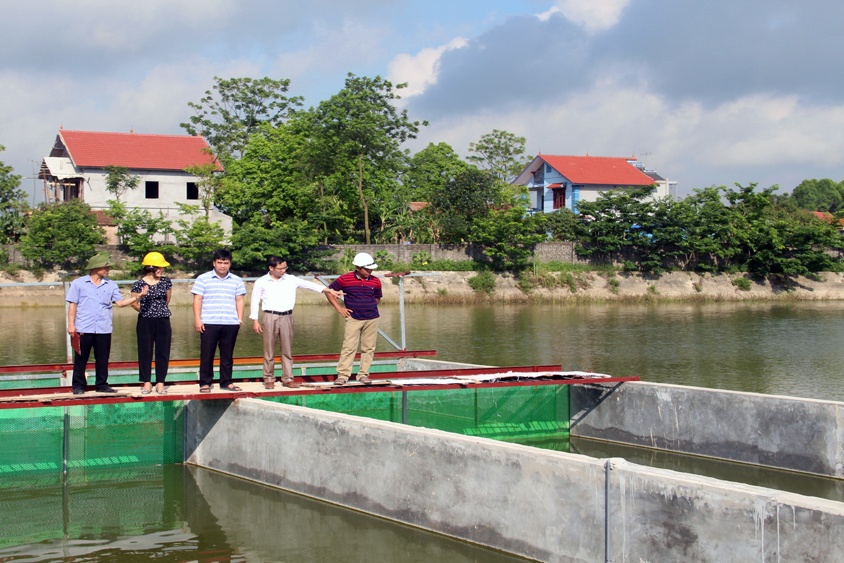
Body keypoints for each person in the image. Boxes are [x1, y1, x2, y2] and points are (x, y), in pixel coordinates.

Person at [250, 256, 343, 389]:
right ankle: (269, 378)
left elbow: (310, 285)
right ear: (271, 268)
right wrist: (255, 320)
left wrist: (328, 290)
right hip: (270, 316)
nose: (283, 271)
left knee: (287, 349)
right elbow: (254, 300)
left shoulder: (290, 279)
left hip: (287, 316)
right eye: (280, 268)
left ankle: (288, 378)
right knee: (269, 350)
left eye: (285, 268)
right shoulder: (262, 281)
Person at [66, 252, 148, 394]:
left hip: (103, 328)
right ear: (96, 268)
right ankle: (78, 385)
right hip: (83, 327)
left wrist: (138, 297)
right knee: (81, 358)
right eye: (106, 267)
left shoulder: (111, 285)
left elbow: (120, 303)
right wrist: (71, 325)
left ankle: (102, 384)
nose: (108, 269)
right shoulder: (78, 283)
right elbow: (73, 305)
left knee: (102, 358)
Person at [192, 249, 246, 393]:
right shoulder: (203, 278)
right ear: (214, 263)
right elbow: (197, 299)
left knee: (227, 355)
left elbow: (240, 300)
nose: (223, 265)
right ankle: (205, 382)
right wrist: (197, 319)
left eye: (226, 263)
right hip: (209, 321)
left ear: (230, 264)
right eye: (220, 262)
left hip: (230, 322)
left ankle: (226, 381)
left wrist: (239, 319)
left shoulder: (236, 280)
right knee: (207, 354)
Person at [326, 252, 382, 386]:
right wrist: (339, 309)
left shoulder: (376, 281)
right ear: (358, 267)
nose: (370, 271)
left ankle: (363, 374)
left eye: (371, 268)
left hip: (372, 318)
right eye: (367, 269)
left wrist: (369, 306)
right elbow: (329, 291)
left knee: (369, 347)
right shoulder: (345, 279)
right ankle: (343, 375)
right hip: (353, 318)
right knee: (349, 346)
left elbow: (377, 297)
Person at [131, 251, 173, 395]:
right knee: (145, 350)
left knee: (163, 351)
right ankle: (146, 382)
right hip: (145, 320)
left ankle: (160, 382)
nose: (161, 270)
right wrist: (146, 311)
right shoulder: (138, 284)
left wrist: (158, 310)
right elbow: (133, 302)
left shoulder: (166, 281)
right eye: (159, 267)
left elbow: (167, 299)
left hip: (163, 319)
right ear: (150, 268)